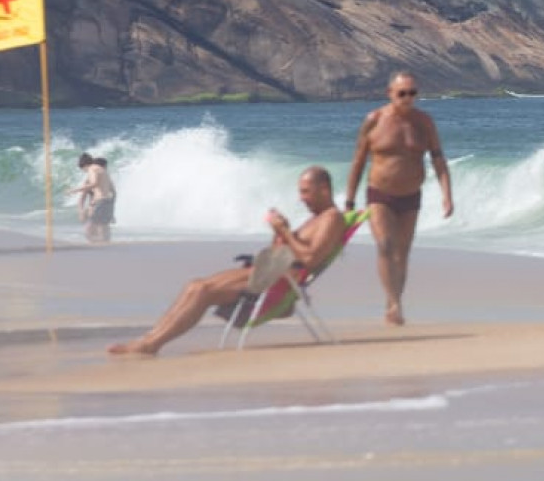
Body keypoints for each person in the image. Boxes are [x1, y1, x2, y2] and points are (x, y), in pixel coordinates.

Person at [108, 167, 348, 357]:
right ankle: (148, 340)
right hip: (272, 271)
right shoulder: (316, 219)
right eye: (301, 191)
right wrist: (279, 231)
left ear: (324, 190)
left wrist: (284, 230)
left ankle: (152, 344)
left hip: (280, 280)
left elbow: (310, 258)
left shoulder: (332, 218)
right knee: (195, 285)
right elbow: (289, 249)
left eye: (306, 191)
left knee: (203, 290)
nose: (301, 198)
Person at [344, 70, 453, 326]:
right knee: (385, 246)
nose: (407, 98)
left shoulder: (424, 123)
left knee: (402, 254)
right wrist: (349, 200)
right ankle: (394, 303)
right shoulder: (374, 120)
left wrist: (447, 195)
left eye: (412, 93)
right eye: (402, 93)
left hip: (411, 196)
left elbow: (438, 158)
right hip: (379, 194)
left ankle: (393, 302)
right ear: (390, 94)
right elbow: (359, 161)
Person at [70, 152, 116, 244]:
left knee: (92, 229)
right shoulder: (103, 172)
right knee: (102, 228)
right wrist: (82, 211)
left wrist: (75, 190)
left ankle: (101, 245)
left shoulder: (92, 169)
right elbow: (113, 192)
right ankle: (104, 245)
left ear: (84, 165)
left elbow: (94, 183)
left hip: (99, 203)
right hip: (104, 202)